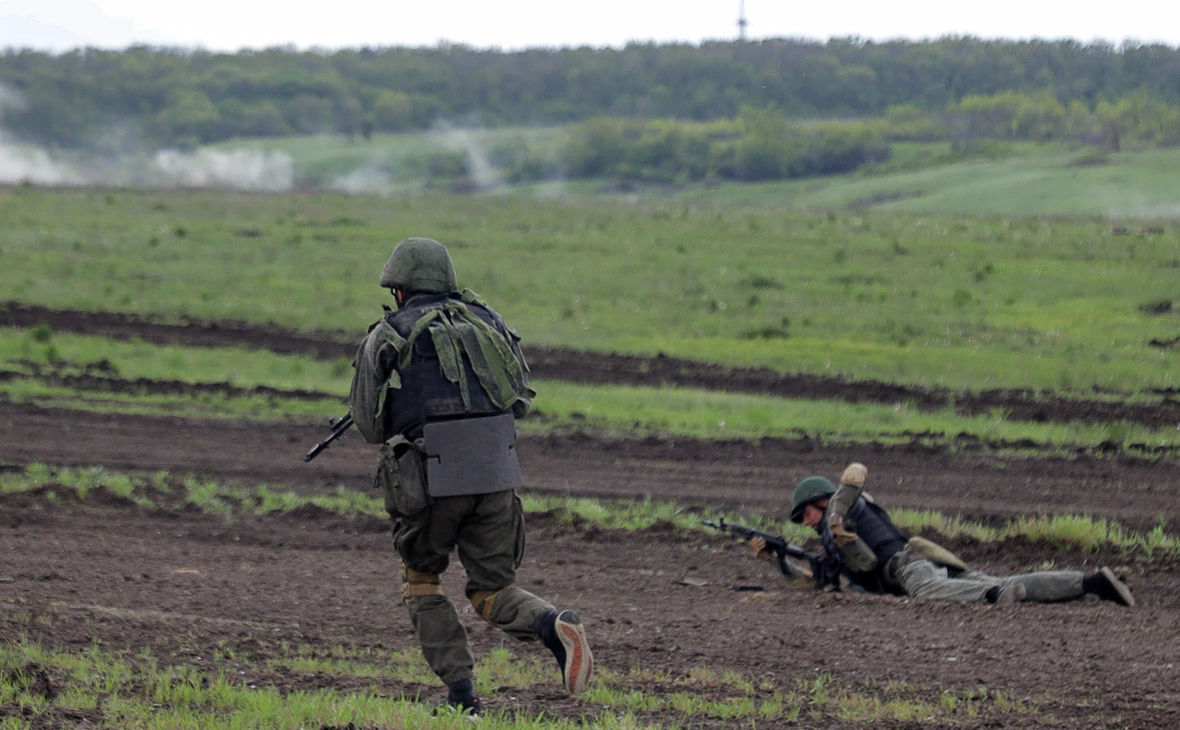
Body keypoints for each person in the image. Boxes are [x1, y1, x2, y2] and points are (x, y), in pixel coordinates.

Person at [348, 237, 593, 716]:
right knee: (491, 589)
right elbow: (519, 399)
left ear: (400, 290)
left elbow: (369, 425)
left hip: (431, 481)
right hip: (497, 473)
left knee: (421, 580)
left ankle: (463, 701)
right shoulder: (490, 321)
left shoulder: (387, 333)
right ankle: (550, 623)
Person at [751, 462, 1135, 608]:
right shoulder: (832, 540)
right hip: (924, 565)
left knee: (937, 592)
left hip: (910, 569)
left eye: (806, 513)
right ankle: (1091, 582)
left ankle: (992, 596)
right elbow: (816, 583)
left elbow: (855, 472)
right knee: (1008, 580)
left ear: (821, 501)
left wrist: (834, 516)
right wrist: (778, 560)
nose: (805, 522)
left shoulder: (848, 505)